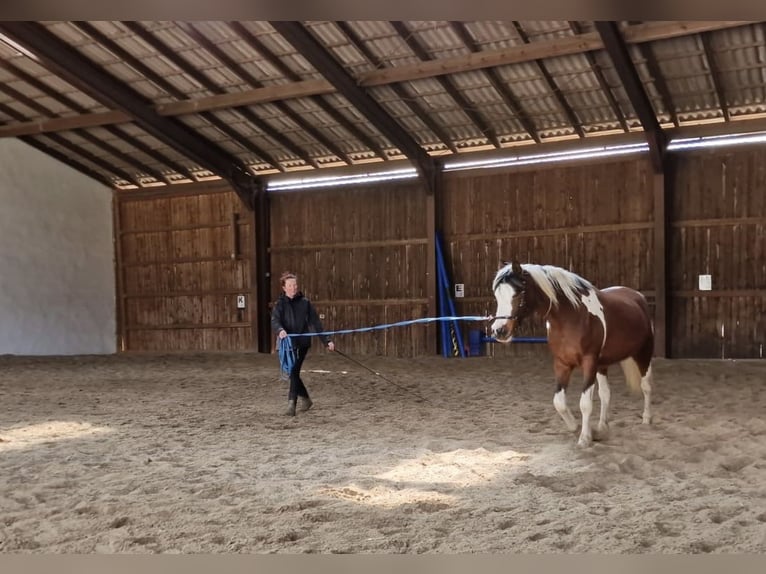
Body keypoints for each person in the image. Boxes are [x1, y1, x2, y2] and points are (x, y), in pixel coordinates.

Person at [271, 271, 335, 416]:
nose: (293, 288)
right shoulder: (279, 304)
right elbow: (275, 320)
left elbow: (316, 323)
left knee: (294, 371)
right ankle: (305, 399)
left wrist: (327, 341)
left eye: (295, 285)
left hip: (302, 343)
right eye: (290, 285)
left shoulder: (305, 303)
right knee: (292, 372)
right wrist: (280, 330)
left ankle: (291, 404)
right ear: (284, 287)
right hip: (287, 344)